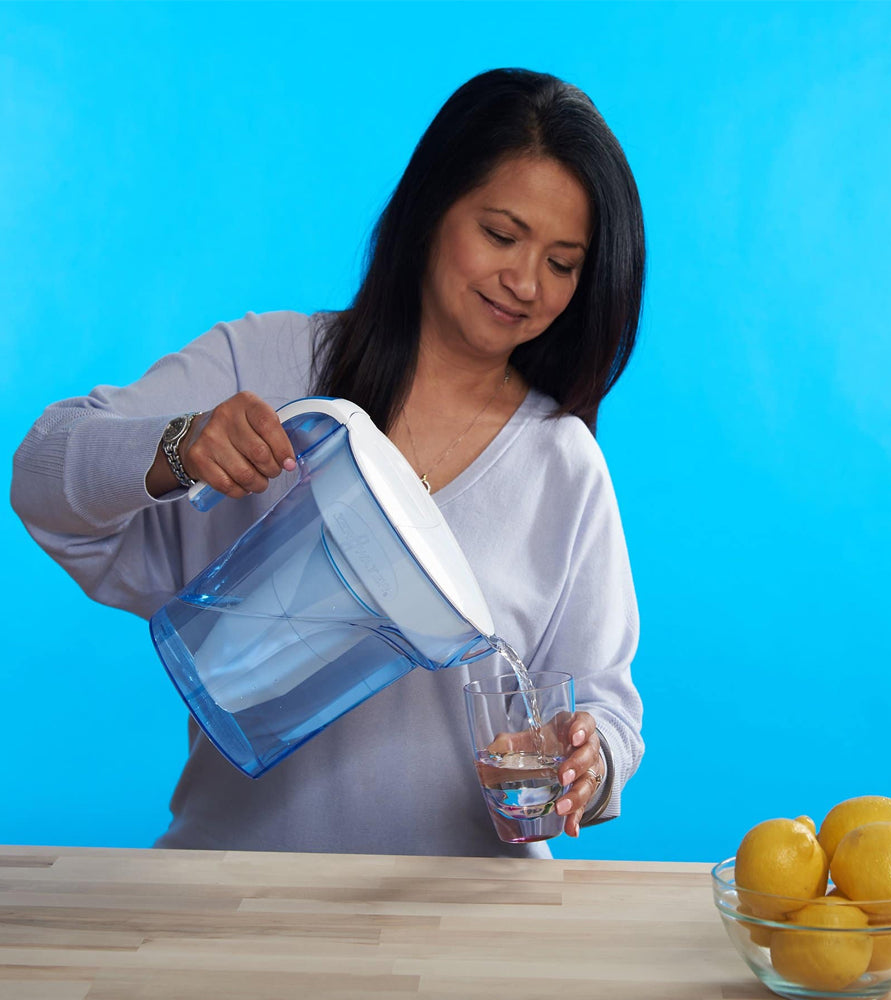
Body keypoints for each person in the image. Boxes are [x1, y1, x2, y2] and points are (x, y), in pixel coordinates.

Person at [11, 68, 645, 859]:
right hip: (235, 898)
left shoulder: (562, 464)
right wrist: (180, 445)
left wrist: (587, 760)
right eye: (501, 234)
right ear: (430, 209)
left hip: (464, 926)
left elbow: (606, 705)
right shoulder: (270, 364)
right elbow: (40, 469)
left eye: (563, 262)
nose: (524, 282)